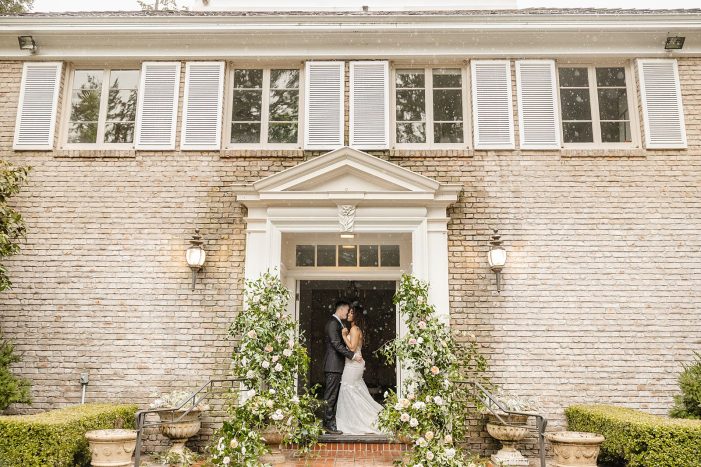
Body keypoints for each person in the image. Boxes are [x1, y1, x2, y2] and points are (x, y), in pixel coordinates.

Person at [335, 303, 383, 435]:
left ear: (356, 316)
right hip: (352, 364)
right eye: (348, 312)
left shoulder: (354, 329)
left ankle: (363, 420)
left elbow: (352, 348)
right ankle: (355, 420)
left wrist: (344, 336)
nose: (348, 314)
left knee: (348, 390)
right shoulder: (355, 328)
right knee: (354, 391)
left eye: (351, 313)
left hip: (353, 365)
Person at [323, 300, 362, 434]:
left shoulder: (338, 324)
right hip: (333, 365)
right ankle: (328, 424)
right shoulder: (333, 323)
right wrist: (352, 355)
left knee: (333, 395)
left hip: (337, 365)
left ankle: (330, 421)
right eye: (347, 310)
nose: (347, 313)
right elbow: (336, 344)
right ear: (341, 310)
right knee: (331, 396)